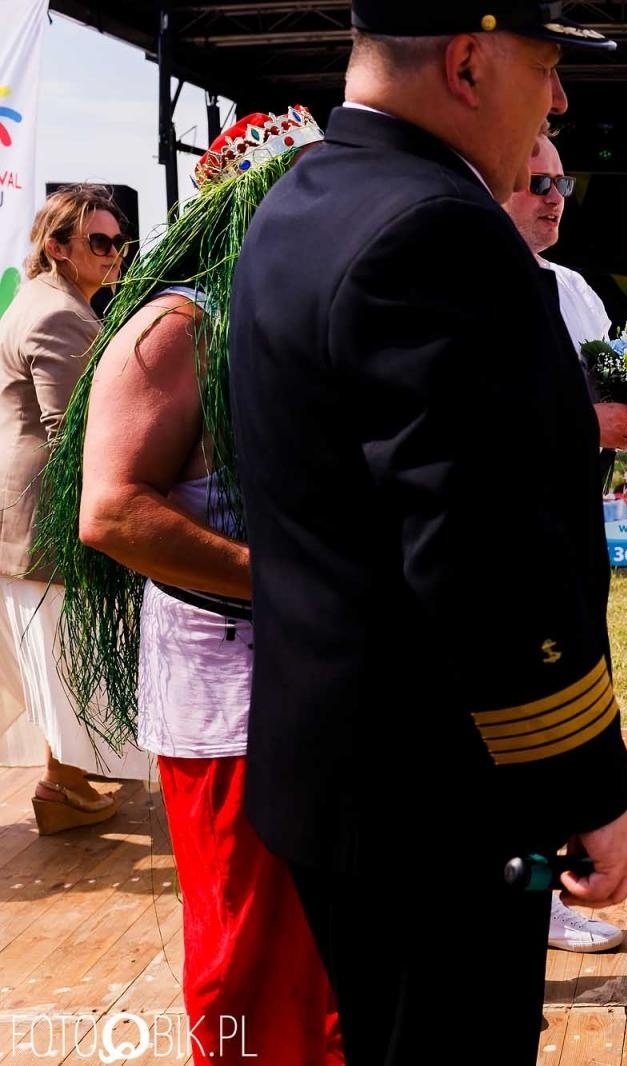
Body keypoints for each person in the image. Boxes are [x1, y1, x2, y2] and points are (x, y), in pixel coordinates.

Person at [227, 8, 627, 1063]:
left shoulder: (304, 197)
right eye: (546, 67)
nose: (556, 101)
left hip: (344, 775)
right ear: (467, 60)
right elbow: (480, 557)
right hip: (437, 795)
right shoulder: (439, 229)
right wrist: (589, 787)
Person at [38, 109, 342, 1066]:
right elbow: (113, 513)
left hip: (325, 689)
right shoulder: (177, 326)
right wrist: (284, 583)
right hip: (230, 699)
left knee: (325, 953)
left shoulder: (302, 314)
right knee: (247, 949)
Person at [505, 133, 627, 955]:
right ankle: (520, 901)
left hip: (571, 531)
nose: (553, 195)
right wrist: (590, 426)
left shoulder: (574, 289)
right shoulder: (462, 281)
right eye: (535, 180)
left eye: (561, 180)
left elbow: (611, 402)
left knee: (579, 691)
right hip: (493, 541)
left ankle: (550, 891)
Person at [0, 183, 145, 834]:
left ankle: (64, 784)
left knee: (56, 660)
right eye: (99, 242)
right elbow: (71, 435)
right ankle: (62, 786)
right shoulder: (59, 313)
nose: (115, 253)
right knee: (68, 654)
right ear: (56, 248)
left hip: (20, 512)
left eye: (120, 241)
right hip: (45, 517)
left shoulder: (37, 300)